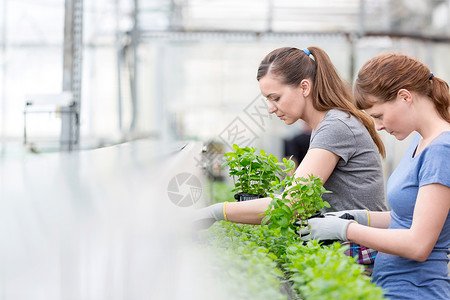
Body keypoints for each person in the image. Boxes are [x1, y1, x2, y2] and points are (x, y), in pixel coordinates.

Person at [300, 53, 450, 299]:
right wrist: (358, 217)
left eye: (379, 115)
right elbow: (406, 217)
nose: (378, 126)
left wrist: (345, 229)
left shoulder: (442, 149)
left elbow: (418, 245)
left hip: (416, 291)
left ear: (405, 97)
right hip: (392, 287)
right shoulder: (420, 142)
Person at [196, 46, 388, 228]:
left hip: (361, 254)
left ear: (304, 87)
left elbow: (291, 204)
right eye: (268, 100)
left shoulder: (336, 126)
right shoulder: (327, 124)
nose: (271, 108)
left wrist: (217, 212)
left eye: (276, 98)